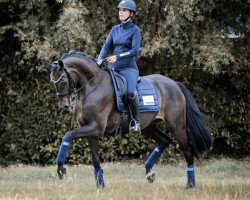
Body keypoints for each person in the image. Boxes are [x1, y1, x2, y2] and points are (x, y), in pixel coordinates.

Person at [97, 0, 141, 133]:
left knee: (129, 92)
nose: (121, 12)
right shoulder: (114, 30)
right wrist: (99, 59)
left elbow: (135, 51)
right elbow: (106, 46)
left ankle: (135, 121)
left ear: (131, 13)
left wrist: (118, 57)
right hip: (113, 68)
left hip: (128, 68)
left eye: (124, 10)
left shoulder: (135, 30)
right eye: (120, 10)